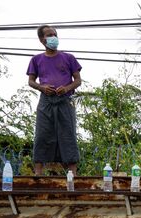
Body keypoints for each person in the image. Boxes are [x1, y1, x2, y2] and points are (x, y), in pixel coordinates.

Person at [27, 25, 82, 176]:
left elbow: (78, 80)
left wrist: (66, 87)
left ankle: (73, 174)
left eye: (55, 34)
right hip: (46, 101)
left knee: (68, 134)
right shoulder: (36, 59)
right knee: (42, 134)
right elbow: (31, 81)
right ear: (41, 39)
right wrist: (42, 88)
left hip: (65, 101)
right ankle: (38, 174)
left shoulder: (68, 58)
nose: (53, 37)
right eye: (49, 35)